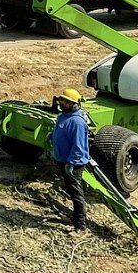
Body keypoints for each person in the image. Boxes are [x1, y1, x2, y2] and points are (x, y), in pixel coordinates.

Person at [51, 88, 90, 234]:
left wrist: (71, 164)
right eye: (61, 100)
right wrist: (52, 136)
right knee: (70, 191)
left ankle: (81, 227)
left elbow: (79, 146)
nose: (62, 103)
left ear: (74, 104)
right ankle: (74, 218)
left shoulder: (77, 122)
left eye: (66, 101)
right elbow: (60, 131)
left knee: (76, 194)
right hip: (63, 160)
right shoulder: (63, 116)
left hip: (73, 163)